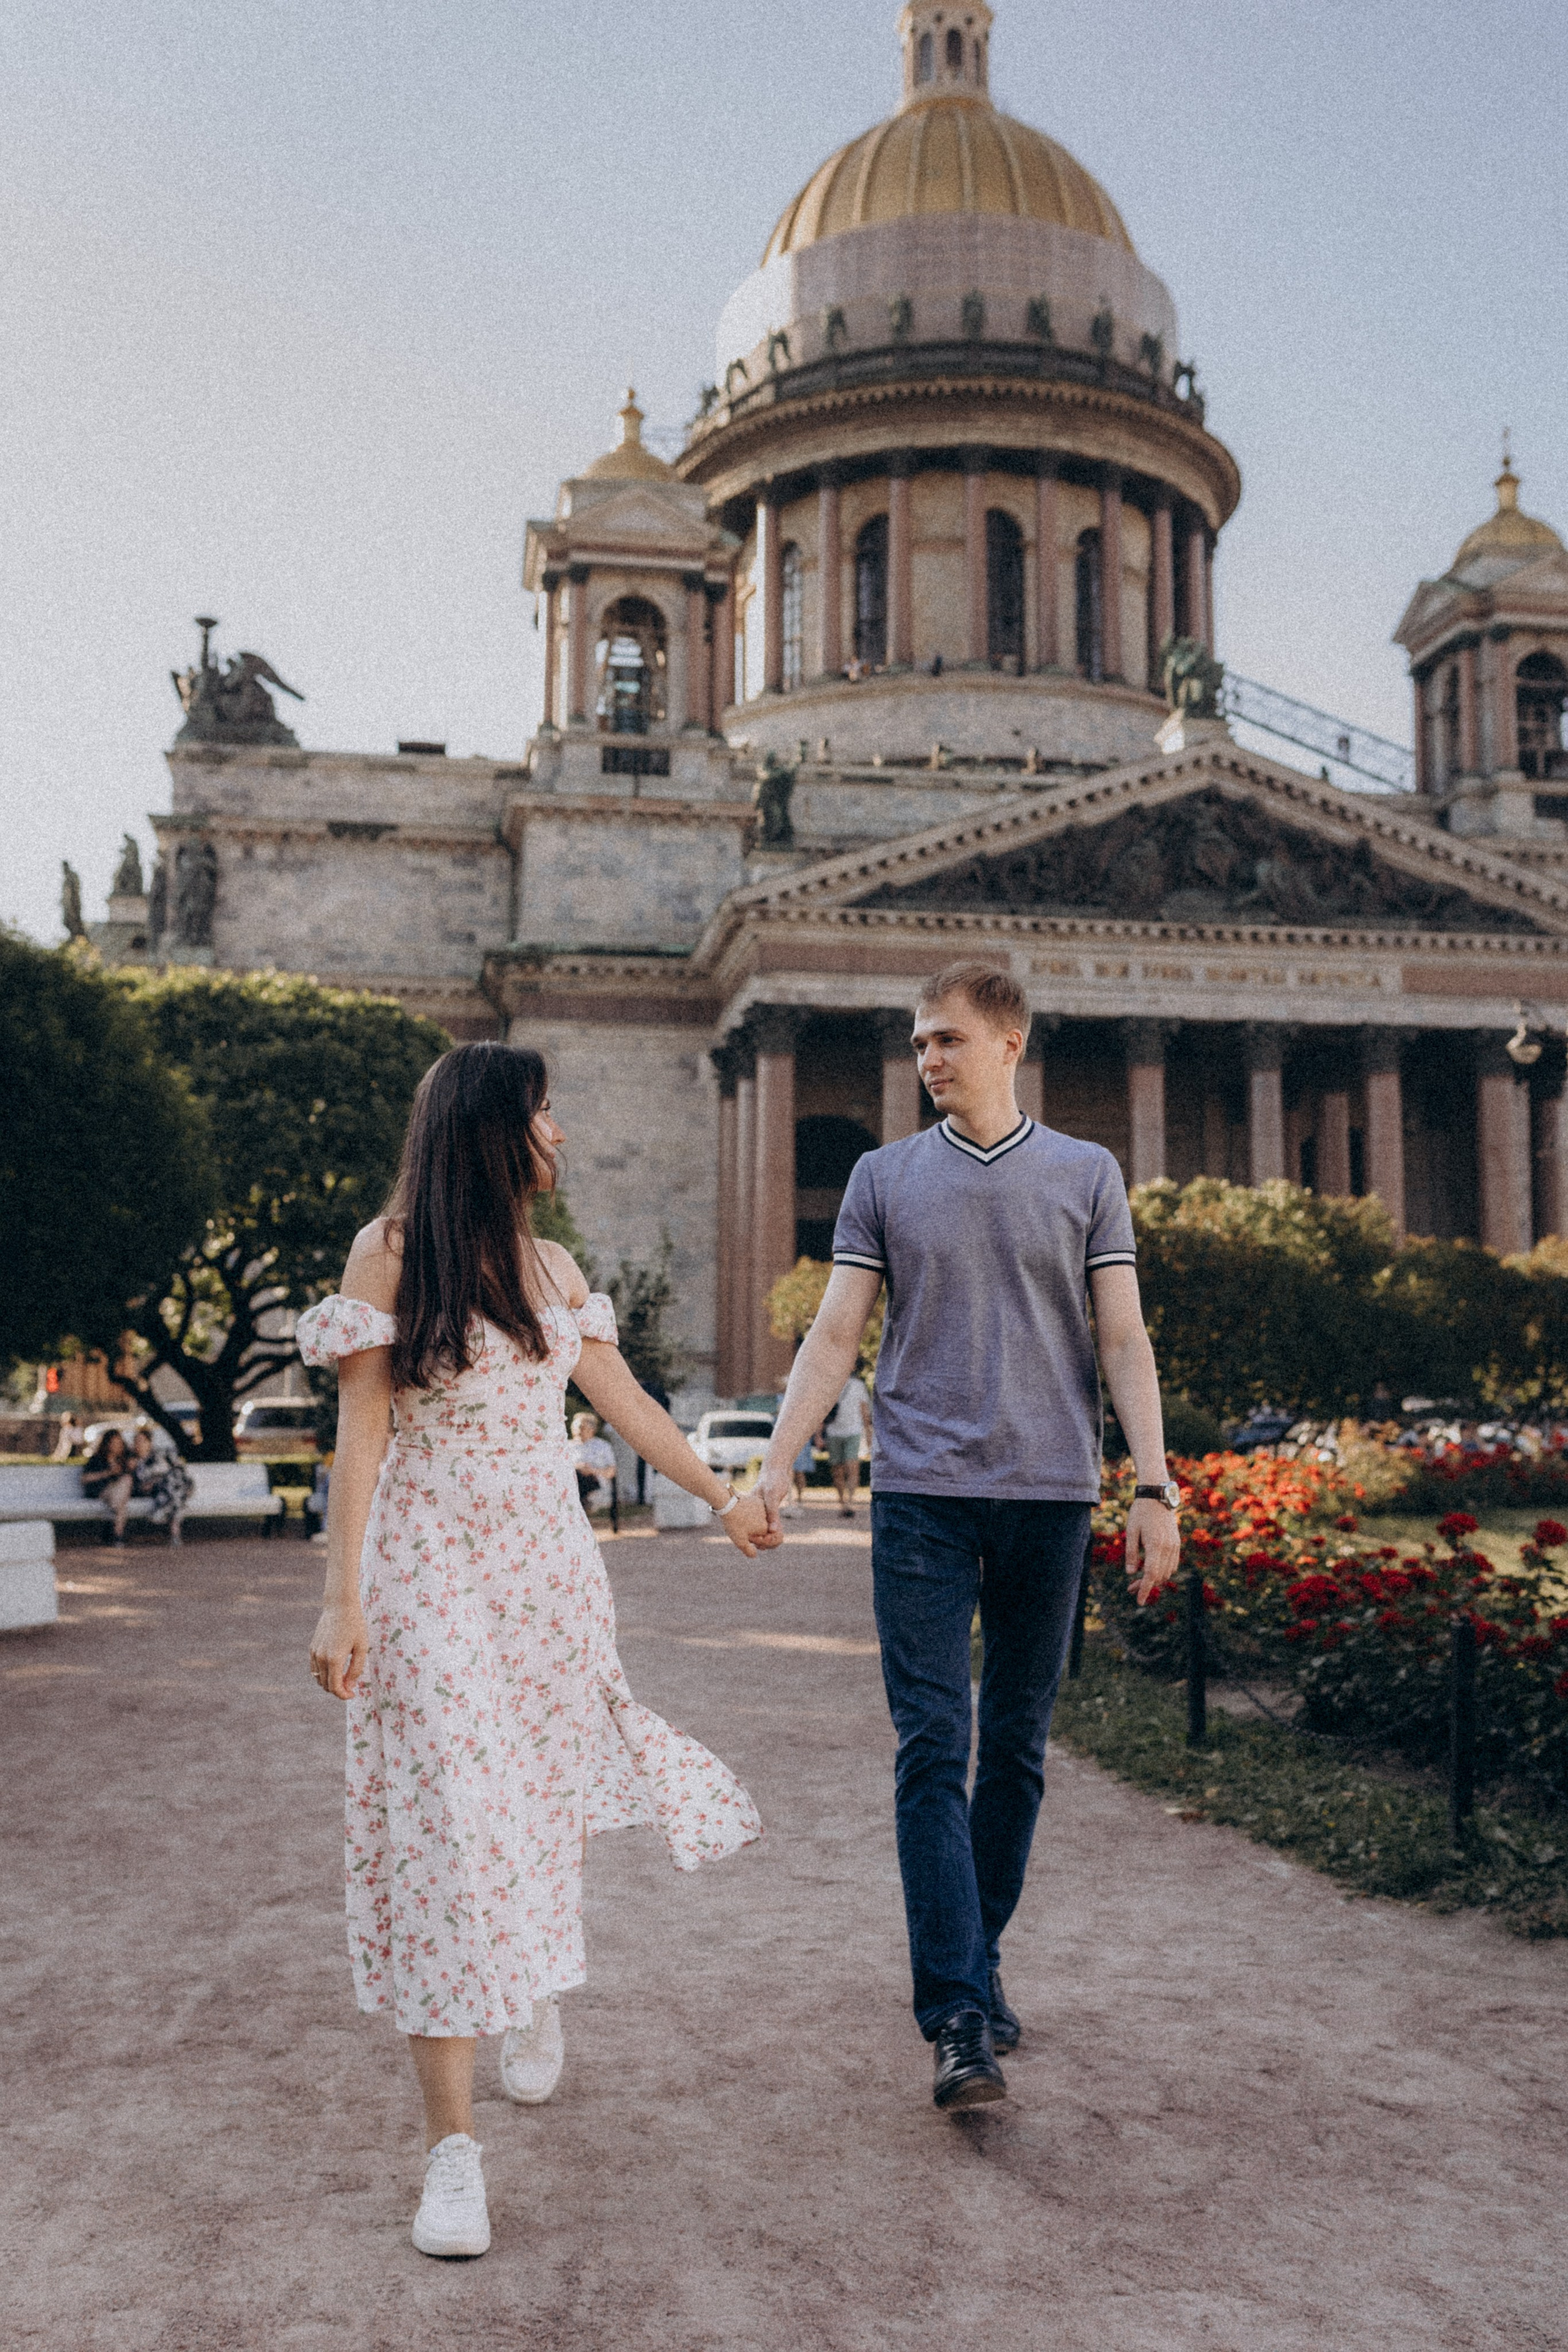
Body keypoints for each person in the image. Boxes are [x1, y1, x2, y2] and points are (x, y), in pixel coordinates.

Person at [301, 1041, 776, 2261]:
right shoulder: (389, 1254)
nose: (559, 1135)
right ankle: (450, 2155)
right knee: (446, 1832)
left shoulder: (557, 1268)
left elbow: (623, 1404)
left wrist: (721, 1498)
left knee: (538, 1799)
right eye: (545, 1115)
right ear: (490, 1126)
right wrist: (338, 1599)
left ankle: (535, 1985)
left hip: (545, 1575)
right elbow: (360, 1438)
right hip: (425, 1570)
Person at [757, 960, 1180, 2113]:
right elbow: (837, 1332)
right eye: (917, 1042)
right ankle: (955, 2014)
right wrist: (778, 1459)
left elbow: (1124, 1340)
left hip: (1051, 1493)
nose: (926, 1059)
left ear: (1010, 1044)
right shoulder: (882, 1177)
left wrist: (1154, 1485)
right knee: (932, 1747)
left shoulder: (1086, 1174)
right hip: (923, 1498)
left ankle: (976, 1965)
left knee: (1020, 1749)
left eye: (946, 1039)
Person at [130, 1425, 193, 1546]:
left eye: (143, 1441)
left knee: (172, 1479)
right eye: (137, 1441)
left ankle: (163, 1511)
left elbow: (179, 1468)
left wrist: (162, 1478)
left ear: (150, 1443)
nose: (140, 1444)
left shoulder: (162, 1454)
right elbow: (139, 1485)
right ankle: (175, 1534)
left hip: (178, 1485)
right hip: (159, 1491)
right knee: (174, 1491)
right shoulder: (134, 1462)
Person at [823, 1372, 872, 1517]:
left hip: (854, 1431)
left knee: (852, 1466)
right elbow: (823, 1410)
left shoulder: (858, 1385)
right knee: (837, 1470)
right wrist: (819, 1434)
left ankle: (851, 1502)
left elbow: (864, 1410)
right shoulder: (830, 1384)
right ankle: (842, 1502)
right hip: (834, 1432)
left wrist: (868, 1433)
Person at [80, 1428, 134, 1544]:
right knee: (121, 1504)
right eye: (114, 1443)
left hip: (118, 1494)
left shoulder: (124, 1460)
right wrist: (108, 1473)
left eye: (119, 1443)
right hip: (100, 1491)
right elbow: (85, 1478)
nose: (117, 1446)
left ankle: (117, 1537)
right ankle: (118, 1536)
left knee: (126, 1482)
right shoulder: (97, 1459)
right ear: (107, 1444)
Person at [570, 1410, 617, 1515]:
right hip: (572, 1483)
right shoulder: (567, 1447)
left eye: (582, 1427)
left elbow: (612, 1472)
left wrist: (592, 1471)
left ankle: (581, 1507)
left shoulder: (603, 1446)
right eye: (576, 1427)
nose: (578, 1431)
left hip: (596, 1484)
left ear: (592, 1430)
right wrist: (577, 1467)